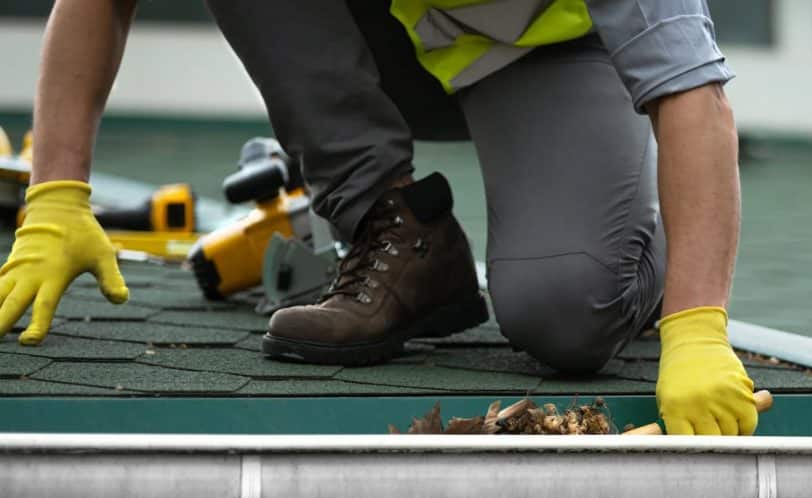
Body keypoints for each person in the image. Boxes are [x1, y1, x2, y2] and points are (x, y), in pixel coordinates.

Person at [0, 0, 756, 436]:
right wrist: (57, 196)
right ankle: (392, 228)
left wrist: (696, 323)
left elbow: (695, 97)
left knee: (566, 317)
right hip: (388, 34)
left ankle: (640, 255)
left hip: (545, 58)